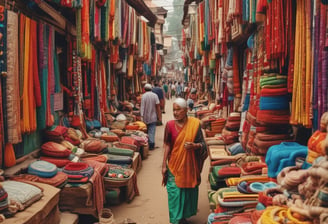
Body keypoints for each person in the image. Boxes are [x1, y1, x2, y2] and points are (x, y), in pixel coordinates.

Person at [161, 98, 208, 224]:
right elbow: (167, 145)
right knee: (174, 192)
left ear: (186, 110)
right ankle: (176, 219)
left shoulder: (195, 124)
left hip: (188, 166)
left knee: (186, 191)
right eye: (174, 110)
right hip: (173, 165)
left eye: (178, 110)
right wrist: (163, 165)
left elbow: (203, 145)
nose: (175, 113)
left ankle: (182, 217)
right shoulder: (170, 125)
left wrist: (195, 146)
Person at [140, 83, 162, 150]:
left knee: (146, 131)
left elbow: (142, 107)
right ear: (151, 89)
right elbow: (158, 107)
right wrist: (159, 116)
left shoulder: (143, 96)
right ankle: (151, 144)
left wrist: (141, 116)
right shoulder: (155, 96)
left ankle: (147, 144)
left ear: (144, 89)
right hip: (153, 116)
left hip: (145, 117)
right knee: (152, 130)